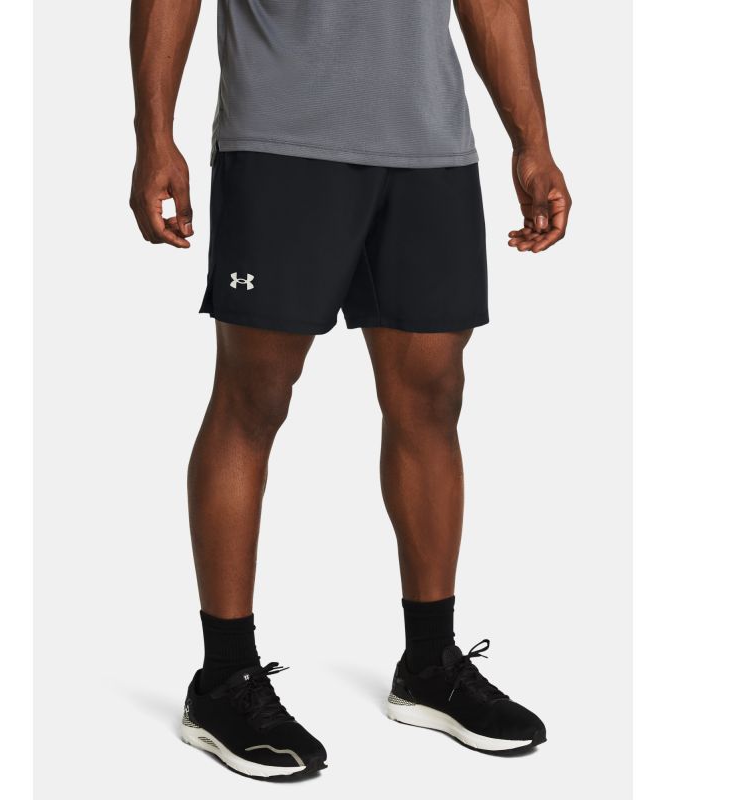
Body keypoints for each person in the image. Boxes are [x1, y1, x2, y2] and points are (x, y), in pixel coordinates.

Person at [130, 0, 571, 780]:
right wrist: (153, 134)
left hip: (429, 144)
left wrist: (532, 144)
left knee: (432, 397)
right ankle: (223, 678)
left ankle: (429, 664)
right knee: (253, 397)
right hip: (281, 139)